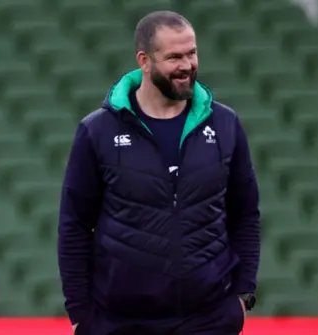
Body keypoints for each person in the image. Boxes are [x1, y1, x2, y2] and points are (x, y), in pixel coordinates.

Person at [58, 11, 260, 335]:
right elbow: (74, 225)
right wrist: (81, 313)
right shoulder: (98, 131)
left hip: (209, 318)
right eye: (174, 57)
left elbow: (246, 213)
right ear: (145, 61)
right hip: (122, 321)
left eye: (192, 53)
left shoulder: (225, 125)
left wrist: (242, 294)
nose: (187, 65)